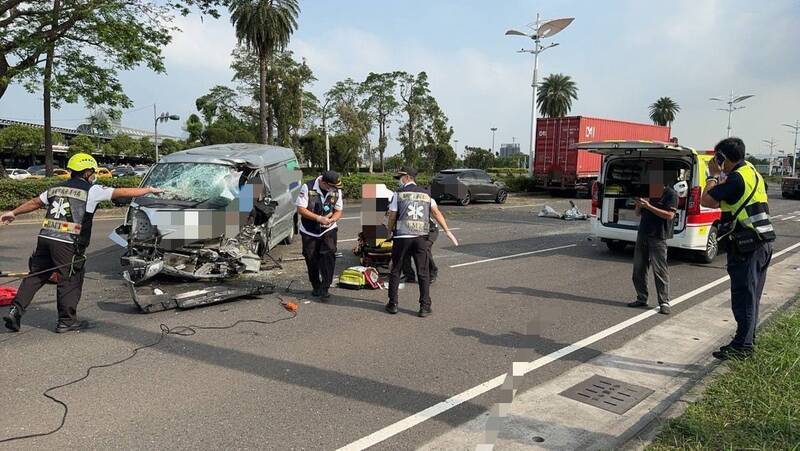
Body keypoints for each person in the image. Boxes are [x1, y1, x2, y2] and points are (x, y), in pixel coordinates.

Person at [1, 153, 163, 333]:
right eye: (93, 172)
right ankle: (66, 321)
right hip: (69, 243)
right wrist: (149, 190)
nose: (94, 175)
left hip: (46, 238)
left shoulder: (55, 188)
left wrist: (13, 213)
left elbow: (34, 202)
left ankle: (16, 310)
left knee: (36, 276)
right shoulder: (91, 190)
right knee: (70, 279)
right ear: (87, 172)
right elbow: (122, 192)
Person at [701, 137, 775, 360]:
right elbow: (723, 201)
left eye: (717, 157)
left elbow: (707, 200)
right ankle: (747, 339)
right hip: (763, 242)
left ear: (722, 157)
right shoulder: (750, 170)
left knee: (743, 297)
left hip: (748, 246)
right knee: (752, 296)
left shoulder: (735, 178)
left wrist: (713, 175)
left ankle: (742, 346)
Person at [385, 167, 458, 317]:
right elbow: (437, 213)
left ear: (406, 177)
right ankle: (424, 307)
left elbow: (392, 216)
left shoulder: (397, 194)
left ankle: (393, 304)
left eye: (400, 177)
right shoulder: (426, 194)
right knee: (423, 272)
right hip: (420, 238)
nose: (399, 180)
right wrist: (447, 231)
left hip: (402, 237)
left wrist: (388, 232)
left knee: (396, 270)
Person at [627, 180, 678, 315]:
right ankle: (641, 298)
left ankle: (664, 302)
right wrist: (639, 204)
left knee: (659, 270)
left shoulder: (671, 194)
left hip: (658, 236)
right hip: (643, 233)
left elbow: (669, 215)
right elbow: (638, 213)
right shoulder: (648, 193)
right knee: (638, 269)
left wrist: (649, 206)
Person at [295, 170, 344, 300]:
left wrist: (333, 219)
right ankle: (316, 286)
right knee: (311, 258)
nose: (334, 189)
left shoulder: (336, 190)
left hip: (328, 229)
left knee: (329, 255)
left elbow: (338, 210)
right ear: (323, 182)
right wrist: (318, 218)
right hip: (309, 230)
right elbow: (301, 209)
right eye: (331, 186)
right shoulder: (308, 187)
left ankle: (325, 287)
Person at [401, 218, 439, 284]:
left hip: (430, 230)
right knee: (404, 249)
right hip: (413, 231)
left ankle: (432, 273)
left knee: (424, 249)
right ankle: (409, 275)